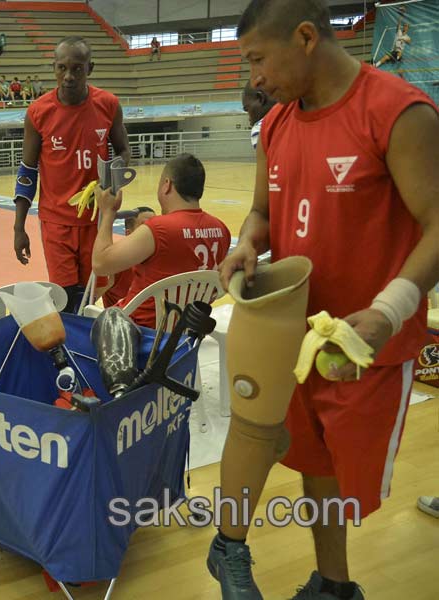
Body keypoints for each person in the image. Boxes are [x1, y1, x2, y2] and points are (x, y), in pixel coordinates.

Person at [210, 1, 439, 599]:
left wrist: (390, 310)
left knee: (350, 477)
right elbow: (262, 211)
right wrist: (244, 244)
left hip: (366, 345)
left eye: (258, 58)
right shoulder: (278, 123)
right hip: (294, 336)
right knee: (316, 465)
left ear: (306, 37)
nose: (252, 77)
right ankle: (334, 584)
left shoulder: (397, 111)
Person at [12, 36, 131, 313]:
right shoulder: (38, 112)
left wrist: (111, 178)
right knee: (65, 299)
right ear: (53, 67)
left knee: (90, 295)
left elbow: (124, 151)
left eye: (77, 68)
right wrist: (19, 228)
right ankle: (71, 352)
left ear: (90, 68)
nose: (69, 76)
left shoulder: (109, 105)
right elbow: (27, 171)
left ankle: (86, 347)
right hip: (56, 223)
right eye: (62, 68)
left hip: (95, 221)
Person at [91, 154, 229, 326]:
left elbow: (100, 264)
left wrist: (108, 212)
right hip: (187, 331)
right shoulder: (222, 229)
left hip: (141, 332)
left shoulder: (158, 229)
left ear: (167, 185)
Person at [94, 207, 155, 308]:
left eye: (154, 225)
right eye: (144, 227)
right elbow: (86, 303)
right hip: (120, 321)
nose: (152, 231)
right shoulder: (113, 262)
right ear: (129, 234)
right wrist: (106, 283)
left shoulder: (162, 258)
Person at [242, 80, 277, 149]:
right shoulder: (291, 118)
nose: (248, 118)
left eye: (247, 109)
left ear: (260, 98)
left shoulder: (260, 130)